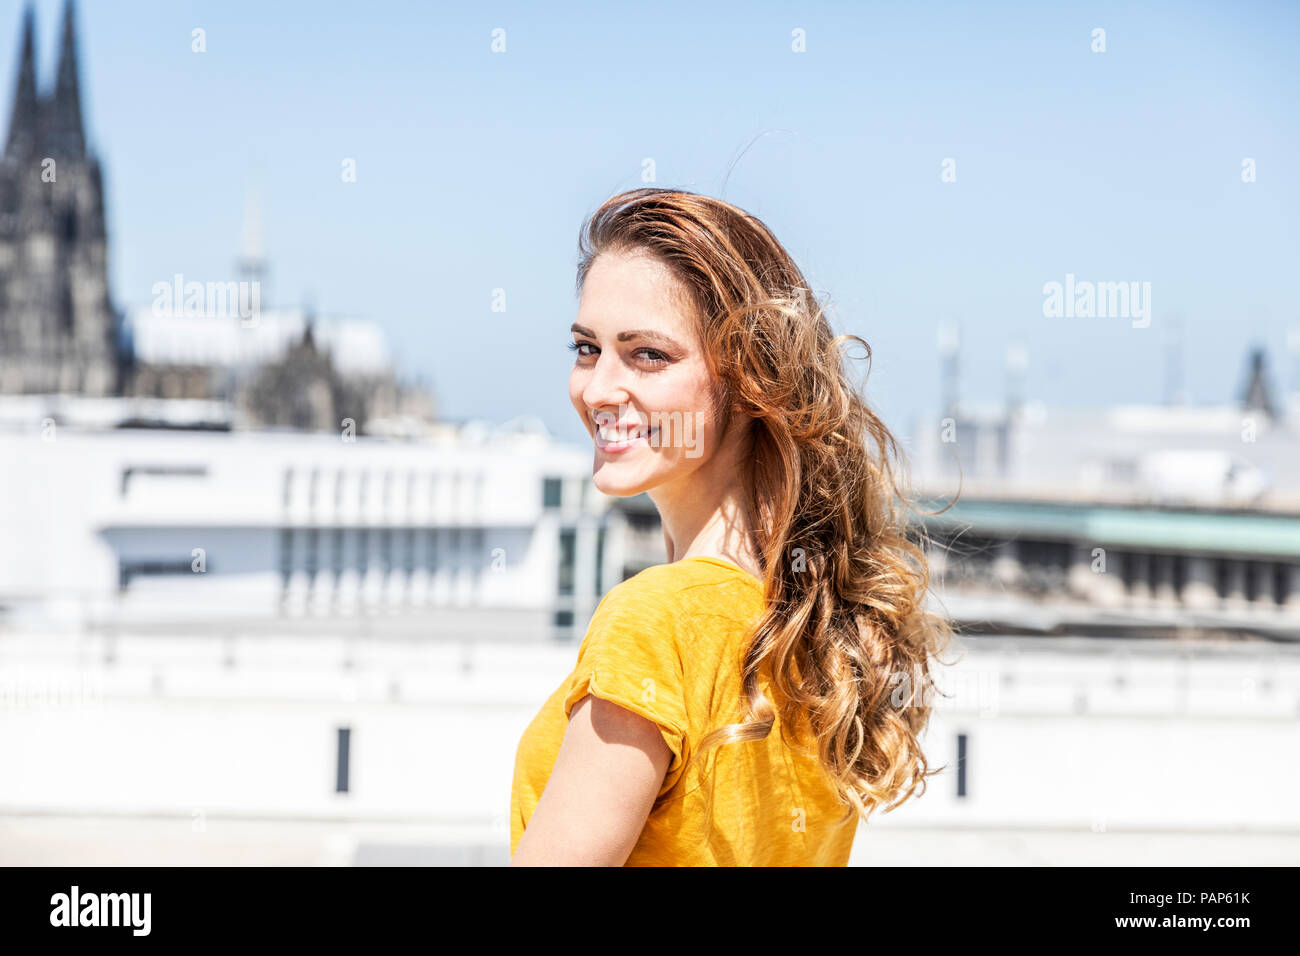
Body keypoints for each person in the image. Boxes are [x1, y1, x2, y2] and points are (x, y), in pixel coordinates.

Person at [510, 187, 954, 866]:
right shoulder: (812, 625)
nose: (598, 389)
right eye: (586, 348)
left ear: (749, 377)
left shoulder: (657, 621)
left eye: (648, 355)